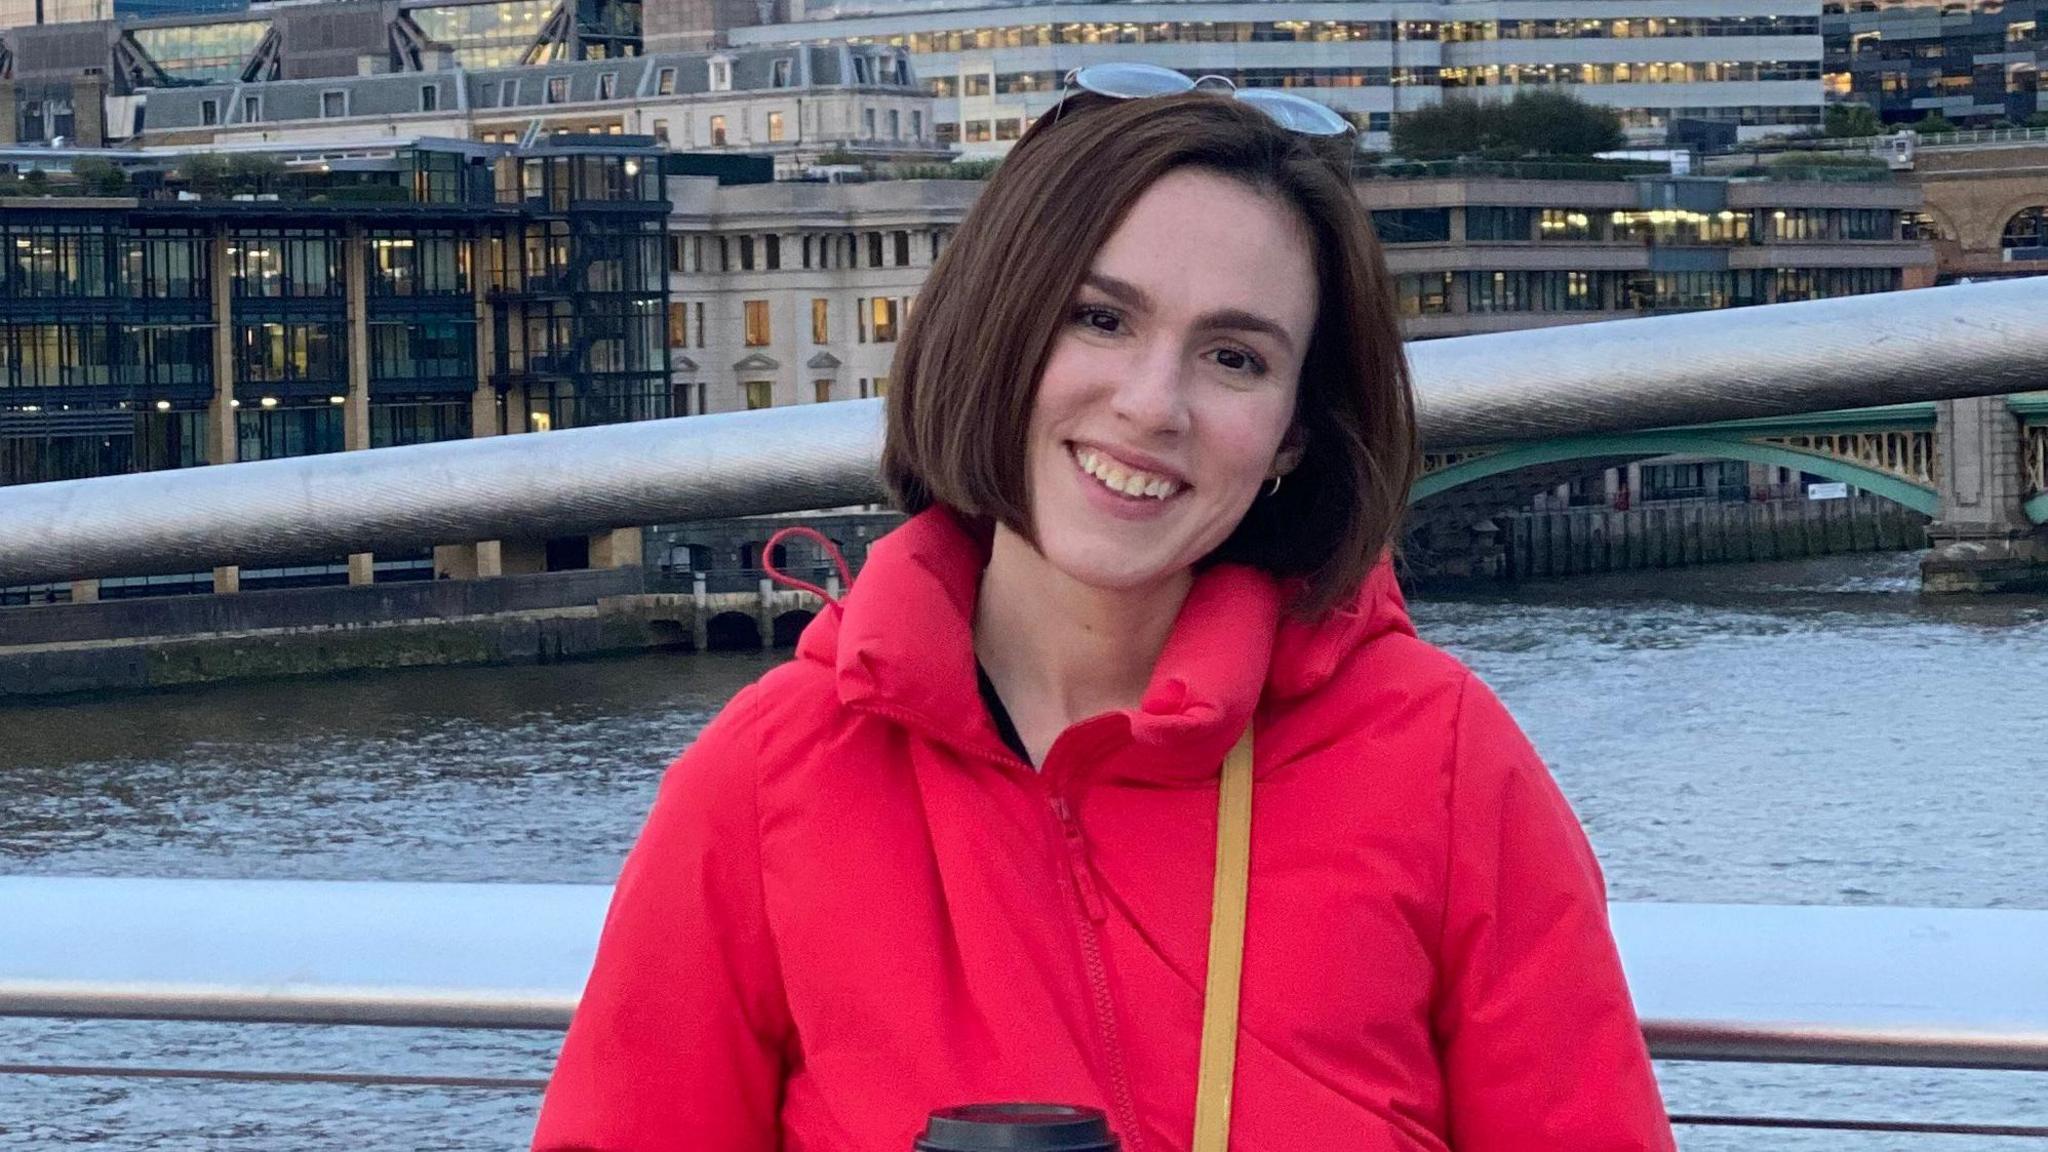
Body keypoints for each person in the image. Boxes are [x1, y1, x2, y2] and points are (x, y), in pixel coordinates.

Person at [534, 73, 1675, 1152]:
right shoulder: (767, 783)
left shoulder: (1439, 763)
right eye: (1098, 319)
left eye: (1232, 356)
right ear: (997, 331)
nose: (1149, 404)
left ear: (1291, 434)